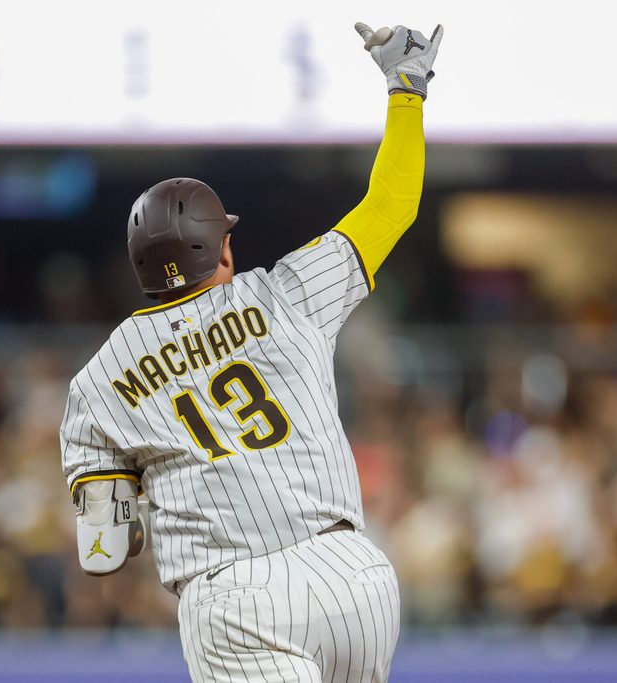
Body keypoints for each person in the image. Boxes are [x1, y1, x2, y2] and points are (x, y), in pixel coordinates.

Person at [60, 20, 443, 682]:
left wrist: (148, 508)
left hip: (235, 600)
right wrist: (405, 87)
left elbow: (104, 547)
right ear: (224, 251)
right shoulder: (287, 293)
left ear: (140, 268)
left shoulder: (97, 383)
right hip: (352, 576)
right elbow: (392, 205)